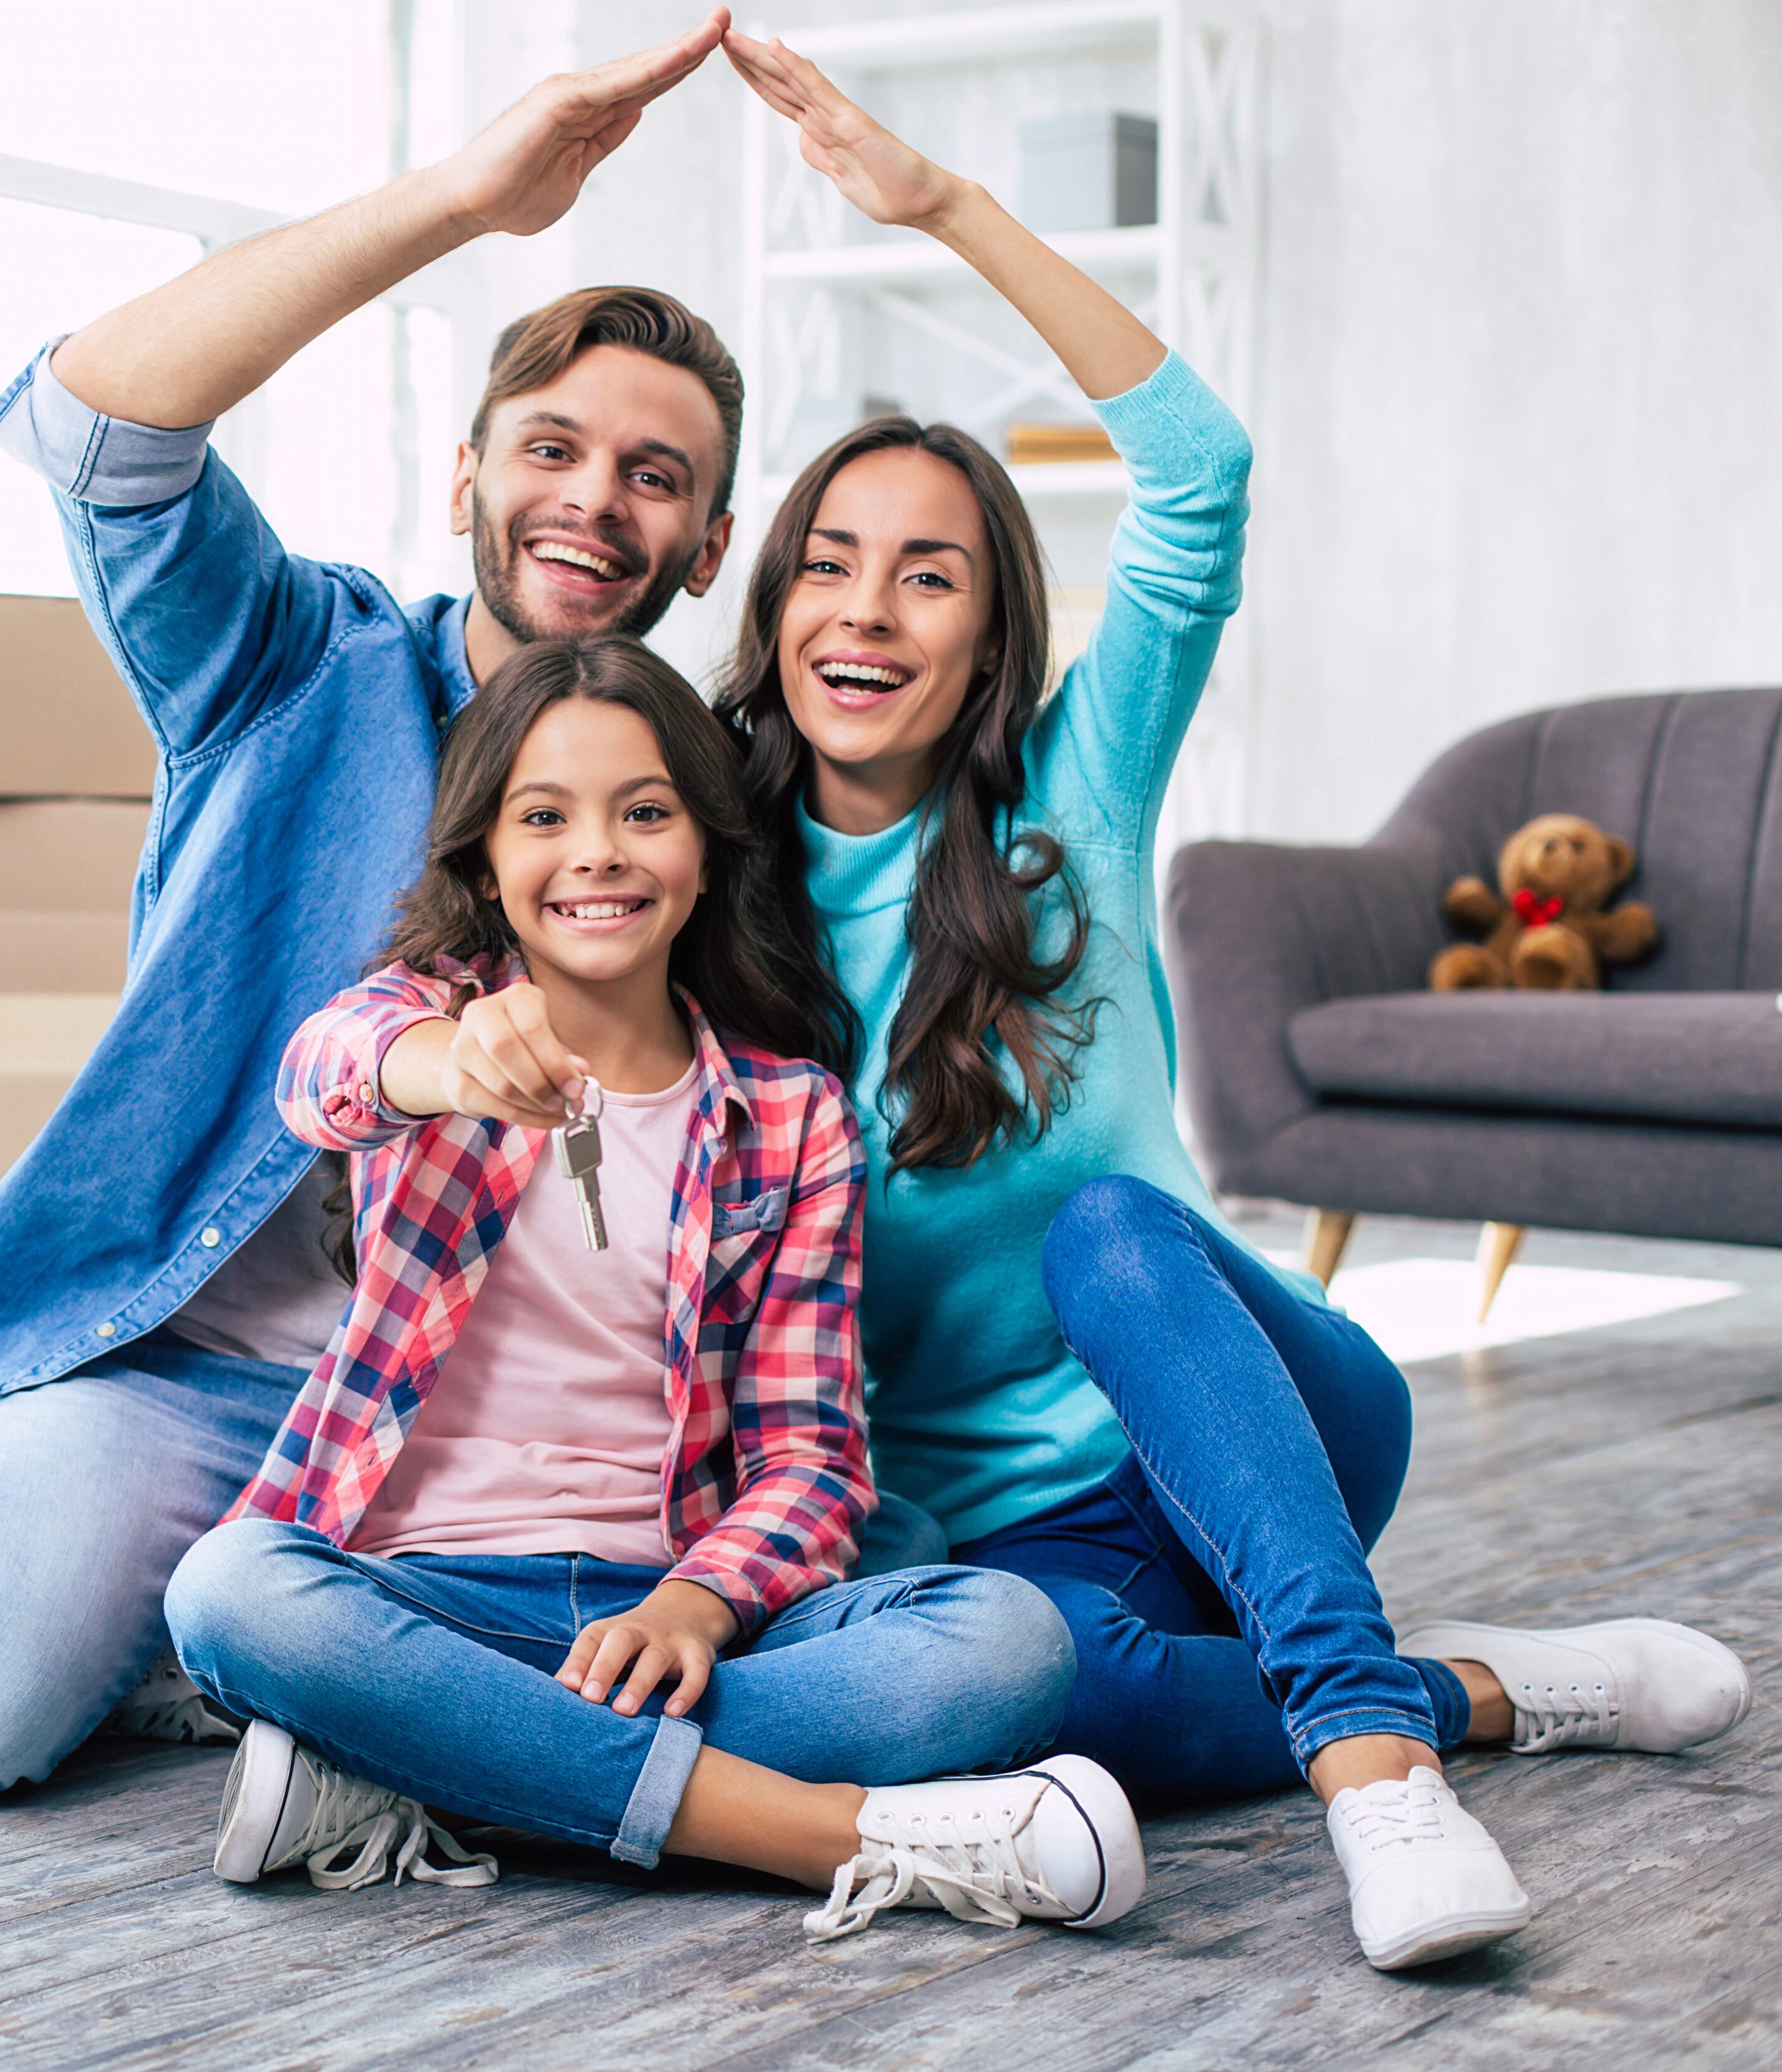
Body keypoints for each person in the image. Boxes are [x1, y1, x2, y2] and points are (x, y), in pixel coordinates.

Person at [0, 15, 949, 1795]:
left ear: (706, 545)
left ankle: (219, 1657)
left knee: (904, 1552)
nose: (592, 500)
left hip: (519, 1425)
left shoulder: (718, 811)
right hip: (207, 1370)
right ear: (467, 478)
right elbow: (96, 417)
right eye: (551, 448)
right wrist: (465, 200)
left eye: (653, 476)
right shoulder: (293, 661)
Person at [706, 34, 1752, 1972]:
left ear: (991, 636)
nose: (866, 608)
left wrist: (942, 209)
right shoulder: (700, 886)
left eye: (928, 576)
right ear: (771, 609)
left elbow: (1202, 476)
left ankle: (1372, 1763)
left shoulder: (1069, 799)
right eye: (828, 566)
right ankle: (1474, 1687)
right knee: (1042, 1697)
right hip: (1003, 1543)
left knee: (1112, 1228)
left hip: (1268, 1413)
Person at [164, 633, 1141, 1941]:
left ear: (707, 847)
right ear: (485, 859)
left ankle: (425, 1764)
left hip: (659, 1607)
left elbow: (809, 1457)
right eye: (543, 817)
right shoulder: (426, 1032)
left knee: (1008, 1636)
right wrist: (442, 1063)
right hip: (421, 1601)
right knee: (227, 1587)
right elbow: (320, 1072)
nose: (597, 853)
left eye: (644, 812)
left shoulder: (791, 1120)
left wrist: (695, 1600)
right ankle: (823, 1833)